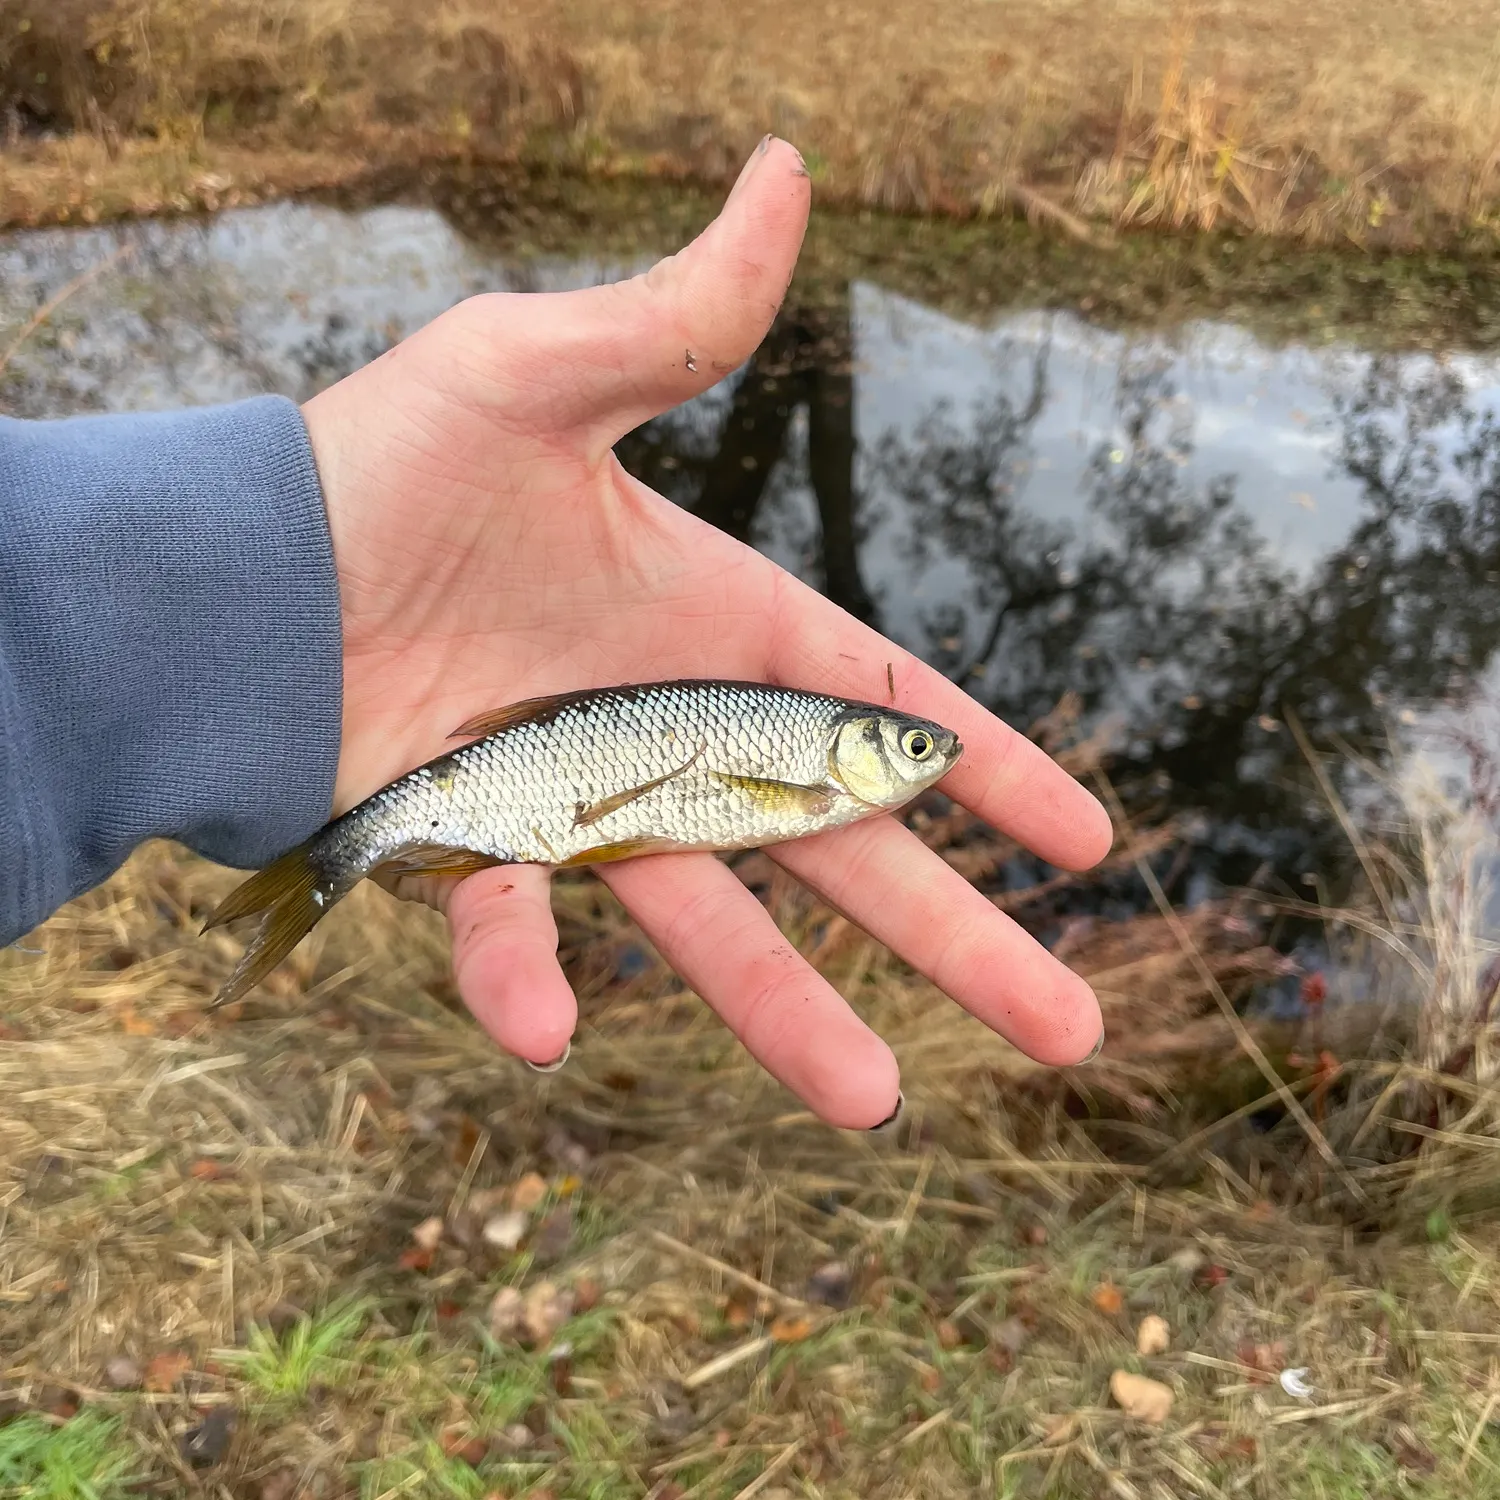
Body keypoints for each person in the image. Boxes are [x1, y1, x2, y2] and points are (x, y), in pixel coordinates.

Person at [0, 136, 1111, 1130]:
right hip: (515, 780)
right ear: (850, 754)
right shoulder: (809, 773)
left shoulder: (809, 768)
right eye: (910, 746)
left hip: (526, 783)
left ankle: (312, 873)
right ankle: (320, 869)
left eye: (915, 748)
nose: (927, 755)